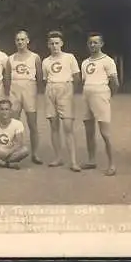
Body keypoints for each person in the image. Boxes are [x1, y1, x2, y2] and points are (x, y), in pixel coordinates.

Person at [81, 32, 120, 176]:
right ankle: (91, 160)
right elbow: (85, 80)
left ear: (101, 44)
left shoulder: (107, 61)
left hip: (101, 95)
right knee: (89, 130)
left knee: (105, 132)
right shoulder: (85, 62)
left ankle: (112, 164)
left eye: (95, 42)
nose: (92, 45)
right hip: (87, 95)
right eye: (90, 43)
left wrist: (109, 95)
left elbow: (115, 82)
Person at [41, 30, 81, 172]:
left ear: (62, 43)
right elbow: (45, 79)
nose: (54, 46)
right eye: (51, 43)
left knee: (68, 127)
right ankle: (58, 157)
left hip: (66, 88)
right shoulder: (46, 61)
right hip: (51, 89)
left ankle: (73, 161)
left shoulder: (69, 57)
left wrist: (70, 91)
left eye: (57, 43)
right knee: (54, 125)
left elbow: (76, 76)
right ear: (48, 45)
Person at [4, 30, 43, 165]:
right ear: (15, 42)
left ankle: (35, 153)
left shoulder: (35, 57)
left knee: (32, 124)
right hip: (15, 91)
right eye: (18, 40)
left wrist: (37, 94)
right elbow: (7, 78)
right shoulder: (10, 59)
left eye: (22, 39)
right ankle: (14, 151)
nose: (20, 42)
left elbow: (40, 77)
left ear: (27, 41)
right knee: (14, 123)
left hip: (29, 90)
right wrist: (7, 95)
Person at [0, 100, 30, 169]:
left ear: (10, 111)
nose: (4, 112)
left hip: (10, 152)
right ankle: (6, 164)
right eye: (2, 109)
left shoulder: (18, 123)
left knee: (25, 150)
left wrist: (9, 152)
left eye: (6, 109)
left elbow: (19, 143)